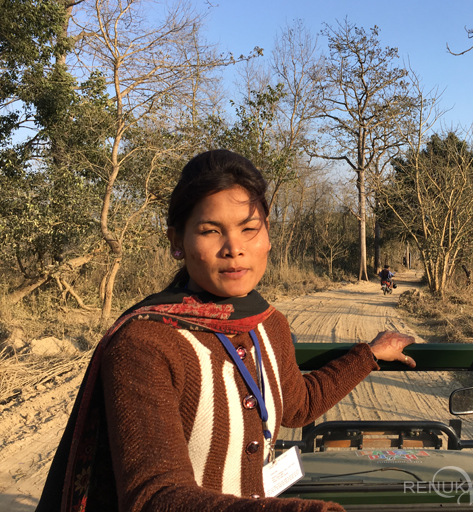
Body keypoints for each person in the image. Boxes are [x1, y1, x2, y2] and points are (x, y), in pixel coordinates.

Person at [37, 150, 416, 512]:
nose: (234, 248)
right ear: (177, 242)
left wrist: (368, 355)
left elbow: (297, 405)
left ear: (268, 235)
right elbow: (153, 498)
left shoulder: (269, 323)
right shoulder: (146, 345)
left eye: (249, 228)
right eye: (210, 230)